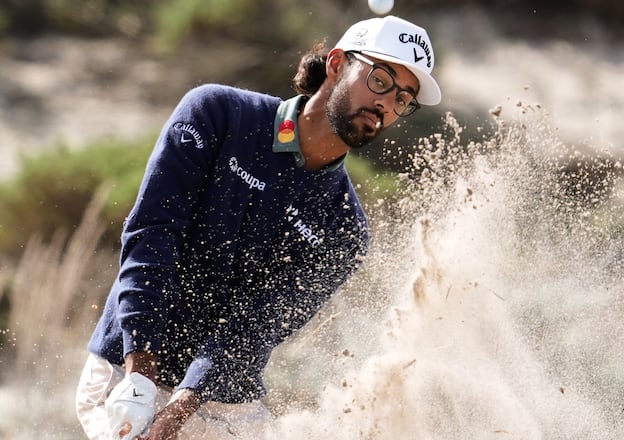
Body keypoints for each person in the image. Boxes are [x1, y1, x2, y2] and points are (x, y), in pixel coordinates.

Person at [74, 15, 441, 440]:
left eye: (403, 98)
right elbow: (153, 234)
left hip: (216, 396)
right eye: (380, 80)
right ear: (337, 64)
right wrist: (140, 377)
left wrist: (180, 408)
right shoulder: (217, 113)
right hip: (129, 362)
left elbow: (257, 326)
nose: (387, 104)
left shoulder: (346, 230)